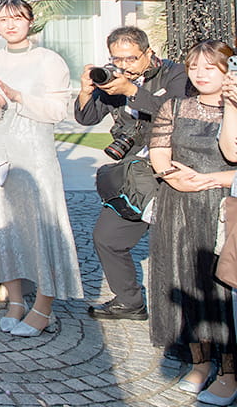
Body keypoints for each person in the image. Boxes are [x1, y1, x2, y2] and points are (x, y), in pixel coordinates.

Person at [0, 0, 82, 337]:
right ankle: (16, 300)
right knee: (4, 224)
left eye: (17, 18)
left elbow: (58, 110)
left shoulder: (49, 60)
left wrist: (19, 98)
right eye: (3, 19)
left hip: (35, 155)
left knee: (41, 225)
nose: (10, 25)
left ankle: (44, 307)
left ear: (30, 21)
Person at [75, 27, 186, 321]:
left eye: (131, 59)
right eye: (117, 58)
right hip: (134, 175)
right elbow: (86, 117)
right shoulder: (114, 79)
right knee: (107, 237)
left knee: (173, 245)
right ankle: (129, 302)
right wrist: (86, 90)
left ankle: (181, 313)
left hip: (171, 170)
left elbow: (177, 113)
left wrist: (133, 92)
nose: (124, 65)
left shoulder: (174, 74)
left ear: (148, 53)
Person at [149, 40, 237, 403]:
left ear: (228, 70)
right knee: (183, 278)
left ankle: (229, 371)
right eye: (194, 66)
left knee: (221, 289)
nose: (200, 74)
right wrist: (174, 177)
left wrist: (211, 179)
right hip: (179, 206)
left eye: (210, 67)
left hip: (221, 207)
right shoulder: (174, 106)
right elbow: (158, 152)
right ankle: (199, 361)